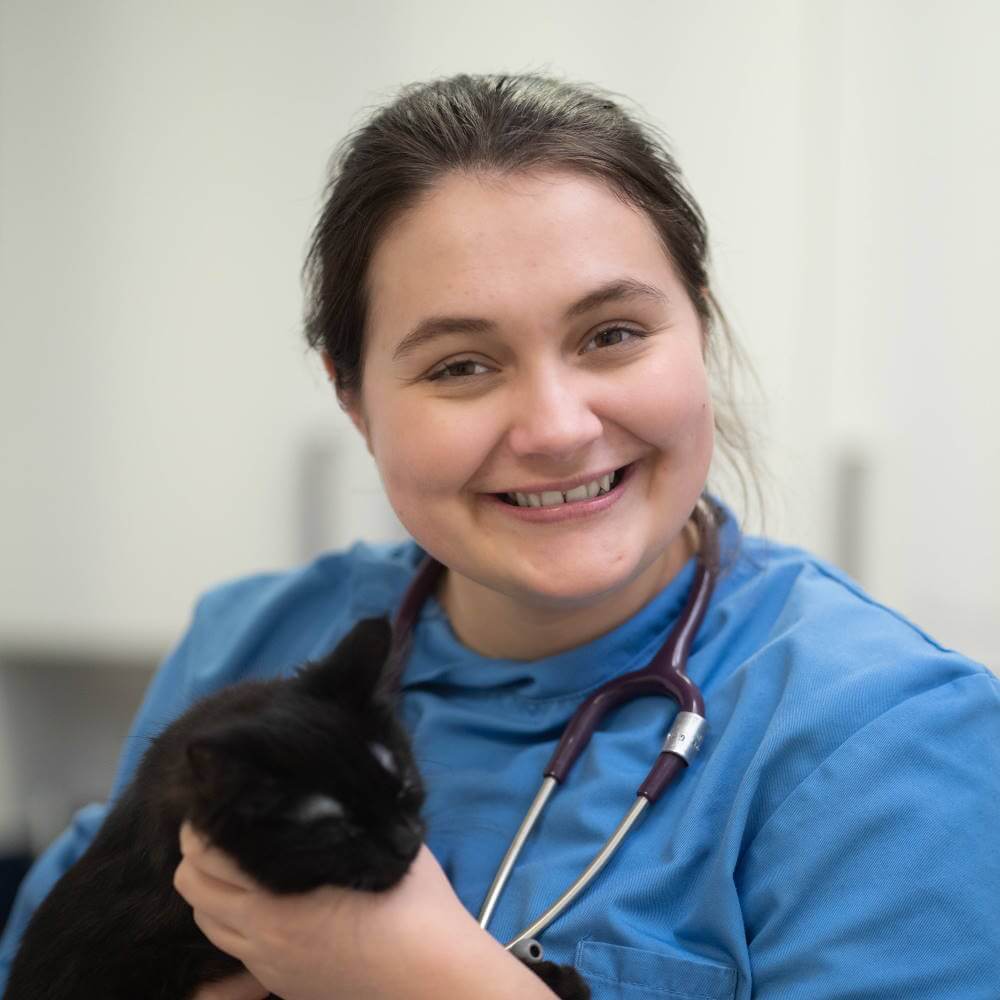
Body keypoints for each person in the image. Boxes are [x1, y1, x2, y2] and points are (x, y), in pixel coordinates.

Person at [1, 73, 998, 1000]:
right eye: (460, 365)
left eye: (611, 335)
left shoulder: (892, 739)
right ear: (352, 399)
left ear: (701, 325)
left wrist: (423, 978)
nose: (557, 427)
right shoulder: (255, 643)